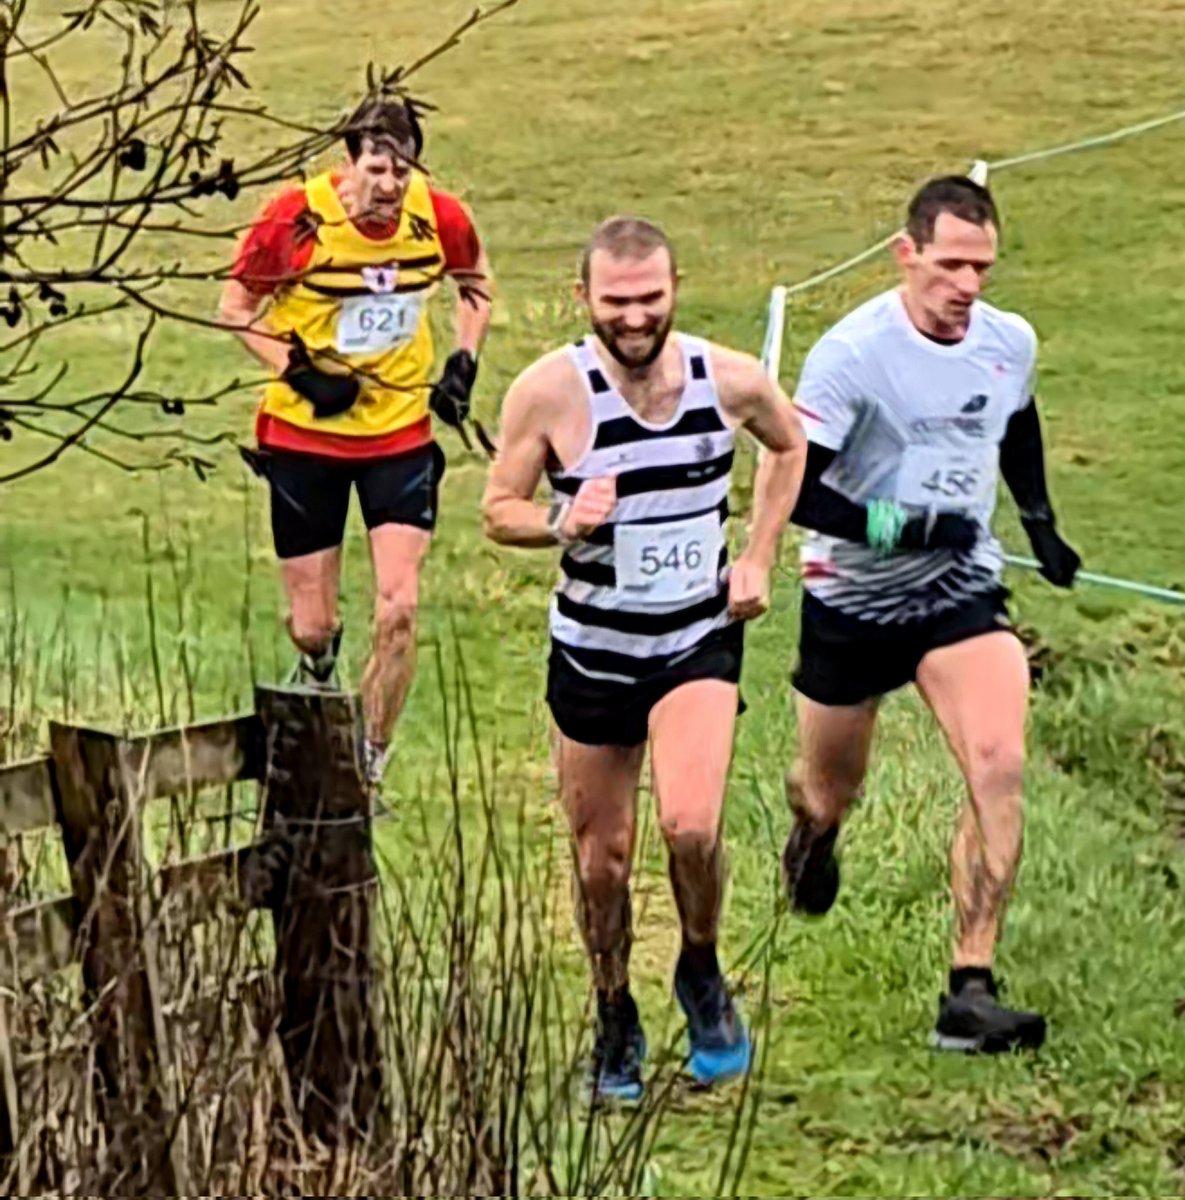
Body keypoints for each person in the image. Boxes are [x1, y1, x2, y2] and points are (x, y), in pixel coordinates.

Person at [482, 216, 806, 1099]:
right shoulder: (549, 392)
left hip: (695, 639)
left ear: (675, 291)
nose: (634, 318)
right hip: (592, 651)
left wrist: (759, 555)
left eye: (650, 299)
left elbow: (790, 445)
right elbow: (496, 508)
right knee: (603, 862)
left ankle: (699, 968)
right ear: (583, 297)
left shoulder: (728, 379)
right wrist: (559, 522)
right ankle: (612, 1010)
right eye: (616, 302)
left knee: (691, 826)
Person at [781, 176, 1081, 1052]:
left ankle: (970, 986)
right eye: (950, 265)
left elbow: (1016, 423)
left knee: (997, 763)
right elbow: (801, 492)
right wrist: (902, 524)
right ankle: (813, 831)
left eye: (982, 267)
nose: (967, 286)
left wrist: (1039, 523)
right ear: (905, 255)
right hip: (852, 600)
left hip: (958, 590)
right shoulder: (850, 354)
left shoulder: (1006, 341)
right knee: (831, 786)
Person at [220, 95, 492, 785]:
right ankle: (317, 664)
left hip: (398, 437)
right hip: (304, 436)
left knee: (399, 608)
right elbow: (235, 310)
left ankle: (364, 763)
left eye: (402, 170)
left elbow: (474, 285)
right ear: (349, 164)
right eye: (377, 169)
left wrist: (463, 363)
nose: (391, 186)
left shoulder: (440, 217)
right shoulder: (298, 216)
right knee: (312, 622)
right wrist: (300, 373)